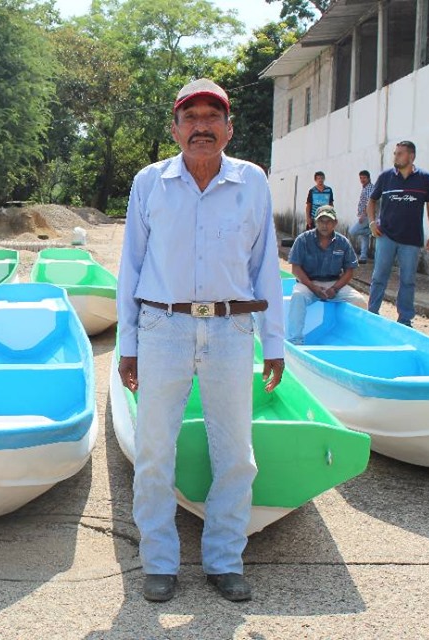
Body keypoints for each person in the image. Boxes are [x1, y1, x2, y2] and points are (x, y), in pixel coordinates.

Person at [116, 78, 284, 604]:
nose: (202, 127)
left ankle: (224, 559)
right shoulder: (150, 182)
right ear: (175, 129)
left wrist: (273, 342)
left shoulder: (252, 181)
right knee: (153, 450)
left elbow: (265, 267)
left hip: (232, 329)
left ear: (229, 128)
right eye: (191, 118)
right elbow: (131, 266)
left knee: (235, 452)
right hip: (162, 327)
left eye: (213, 117)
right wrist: (127, 342)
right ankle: (159, 562)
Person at [367, 140, 429, 327]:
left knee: (408, 280)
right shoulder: (385, 177)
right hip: (386, 236)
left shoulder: (425, 179)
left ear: (411, 156)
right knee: (379, 276)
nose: (395, 156)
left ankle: (405, 319)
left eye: (400, 153)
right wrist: (372, 222)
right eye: (395, 153)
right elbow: (371, 200)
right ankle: (372, 313)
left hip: (411, 240)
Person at [287, 205, 367, 344]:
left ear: (335, 223)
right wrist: (313, 287)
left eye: (328, 221)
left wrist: (335, 288)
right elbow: (296, 269)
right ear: (315, 222)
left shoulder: (343, 242)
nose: (325, 225)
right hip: (308, 283)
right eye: (321, 221)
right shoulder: (303, 239)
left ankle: (353, 339)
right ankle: (296, 340)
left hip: (334, 283)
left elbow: (349, 271)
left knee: (359, 301)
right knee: (298, 296)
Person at [347, 170, 374, 263]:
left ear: (368, 178)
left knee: (353, 231)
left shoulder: (370, 188)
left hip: (367, 216)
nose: (362, 180)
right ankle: (363, 257)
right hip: (365, 215)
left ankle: (371, 231)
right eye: (361, 178)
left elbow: (369, 202)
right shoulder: (365, 187)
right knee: (364, 237)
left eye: (364, 178)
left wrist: (363, 214)